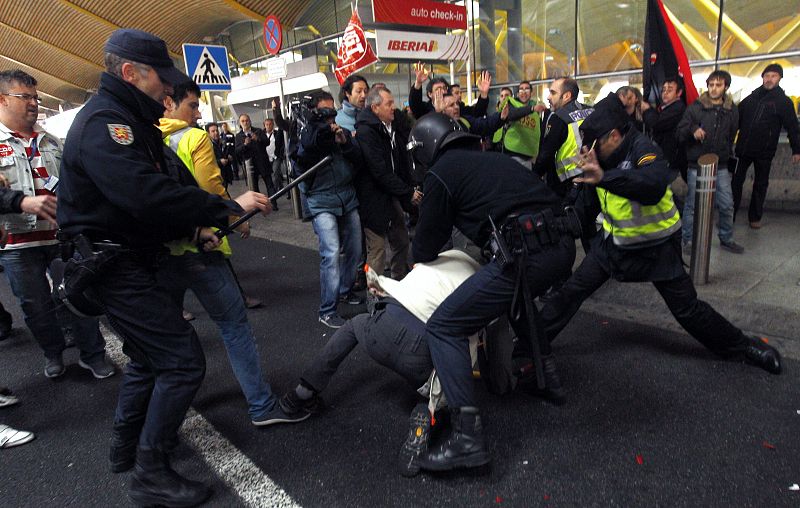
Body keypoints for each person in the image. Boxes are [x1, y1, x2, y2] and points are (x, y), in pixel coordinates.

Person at [57, 29, 270, 506]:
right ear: (131, 73)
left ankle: (127, 446)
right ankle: (150, 470)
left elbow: (161, 187)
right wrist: (221, 209)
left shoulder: (133, 122)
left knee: (149, 357)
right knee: (180, 360)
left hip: (132, 257)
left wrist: (198, 229)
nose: (169, 92)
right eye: (162, 80)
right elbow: (141, 194)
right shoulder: (107, 125)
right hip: (113, 263)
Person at [538, 93, 781, 388]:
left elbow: (652, 185)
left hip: (656, 248)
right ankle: (528, 343)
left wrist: (604, 177)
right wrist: (548, 228)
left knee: (688, 310)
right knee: (569, 293)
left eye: (592, 143)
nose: (587, 150)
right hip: (612, 246)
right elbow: (582, 210)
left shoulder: (642, 147)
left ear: (614, 136)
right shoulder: (598, 160)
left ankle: (744, 347)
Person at [408, 113, 578, 472]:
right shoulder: (495, 158)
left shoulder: (440, 173)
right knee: (519, 302)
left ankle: (467, 438)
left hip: (524, 254)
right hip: (561, 247)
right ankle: (547, 378)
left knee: (445, 326)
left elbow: (425, 247)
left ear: (425, 149)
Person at [157, 80, 303, 427]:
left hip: (162, 252)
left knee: (164, 334)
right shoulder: (193, 138)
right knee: (234, 326)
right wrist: (236, 218)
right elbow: (212, 188)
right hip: (201, 247)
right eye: (192, 106)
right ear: (169, 102)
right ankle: (261, 406)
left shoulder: (145, 139)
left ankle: (167, 415)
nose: (197, 113)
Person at [280, 249, 481, 475]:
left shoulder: (435, 256)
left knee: (354, 325)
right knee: (446, 373)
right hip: (422, 355)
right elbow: (477, 341)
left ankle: (303, 391)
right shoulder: (483, 283)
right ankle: (428, 416)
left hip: (383, 327)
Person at [0, 69, 114, 380]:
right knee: (35, 307)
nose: (34, 103)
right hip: (18, 244)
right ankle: (53, 352)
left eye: (36, 98)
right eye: (26, 97)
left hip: (63, 238)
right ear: (3, 99)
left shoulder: (53, 141)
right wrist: (21, 202)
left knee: (79, 296)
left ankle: (94, 354)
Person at [297, 91, 363, 329]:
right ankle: (327, 309)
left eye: (331, 111)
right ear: (314, 112)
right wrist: (322, 132)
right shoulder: (307, 132)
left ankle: (345, 290)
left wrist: (344, 143)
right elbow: (303, 155)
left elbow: (357, 157)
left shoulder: (339, 132)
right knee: (331, 253)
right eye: (323, 112)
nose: (329, 117)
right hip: (321, 200)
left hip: (347, 196)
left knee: (355, 249)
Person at [355, 87, 421, 281]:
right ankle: (373, 298)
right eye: (389, 104)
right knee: (376, 251)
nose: (394, 107)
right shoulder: (367, 132)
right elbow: (380, 171)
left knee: (401, 240)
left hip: (390, 195)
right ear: (375, 108)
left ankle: (398, 280)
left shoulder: (389, 128)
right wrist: (407, 192)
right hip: (373, 199)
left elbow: (398, 165)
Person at [676, 70, 741, 254]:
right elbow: (680, 132)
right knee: (692, 205)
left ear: (726, 87)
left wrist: (727, 152)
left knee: (727, 203)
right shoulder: (695, 107)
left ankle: (726, 238)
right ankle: (688, 240)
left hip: (720, 165)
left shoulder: (731, 109)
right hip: (697, 164)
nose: (714, 88)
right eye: (711, 84)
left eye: (718, 85)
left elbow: (732, 133)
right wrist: (693, 130)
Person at [732, 63, 800, 229]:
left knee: (760, 184)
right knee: (735, 182)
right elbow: (736, 120)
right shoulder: (751, 98)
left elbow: (793, 127)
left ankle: (755, 217)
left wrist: (796, 149)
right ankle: (729, 216)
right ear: (762, 77)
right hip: (743, 149)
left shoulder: (783, 102)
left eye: (773, 76)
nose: (769, 79)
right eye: (767, 75)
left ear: (779, 79)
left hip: (764, 151)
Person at [532, 77, 594, 198]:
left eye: (553, 93)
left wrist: (533, 176)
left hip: (567, 184)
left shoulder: (559, 118)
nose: (548, 97)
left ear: (567, 96)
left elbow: (546, 154)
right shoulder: (591, 110)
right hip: (593, 176)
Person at [640, 77, 687, 180]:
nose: (665, 93)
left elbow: (656, 123)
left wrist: (647, 110)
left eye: (669, 90)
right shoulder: (665, 108)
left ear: (679, 93)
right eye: (663, 90)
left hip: (672, 161)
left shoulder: (678, 108)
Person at [492, 80, 544, 169]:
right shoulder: (511, 103)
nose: (523, 92)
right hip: (511, 154)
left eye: (527, 89)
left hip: (528, 157)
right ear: (517, 93)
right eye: (521, 89)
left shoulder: (537, 111)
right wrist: (531, 109)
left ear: (531, 93)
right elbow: (511, 115)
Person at [235, 113, 278, 210]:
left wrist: (258, 139)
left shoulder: (258, 131)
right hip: (250, 165)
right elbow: (237, 151)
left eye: (247, 120)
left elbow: (267, 142)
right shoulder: (238, 136)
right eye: (243, 121)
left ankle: (273, 204)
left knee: (269, 184)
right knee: (254, 187)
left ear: (250, 121)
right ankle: (260, 206)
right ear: (240, 123)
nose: (245, 122)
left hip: (263, 162)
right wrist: (245, 144)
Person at [263, 118, 286, 194]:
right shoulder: (261, 134)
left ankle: (274, 193)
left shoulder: (277, 133)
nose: (268, 126)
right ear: (264, 125)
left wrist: (281, 153)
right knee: (274, 174)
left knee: (275, 173)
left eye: (270, 124)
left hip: (276, 156)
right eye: (267, 124)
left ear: (273, 125)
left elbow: (282, 143)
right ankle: (281, 186)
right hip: (266, 157)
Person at [206, 122, 233, 187]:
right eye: (213, 131)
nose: (216, 133)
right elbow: (207, 162)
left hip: (225, 175)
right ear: (208, 133)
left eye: (217, 130)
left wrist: (229, 157)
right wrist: (219, 162)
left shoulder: (222, 142)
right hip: (215, 177)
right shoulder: (207, 146)